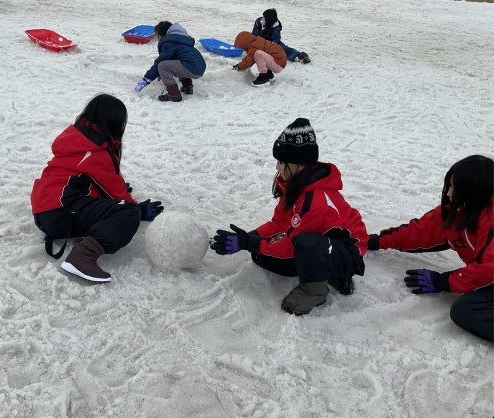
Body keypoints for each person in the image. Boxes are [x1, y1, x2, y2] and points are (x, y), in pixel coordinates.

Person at [211, 118, 368, 315]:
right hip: (319, 241)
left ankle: (317, 288)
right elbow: (278, 223)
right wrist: (250, 237)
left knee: (305, 243)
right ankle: (318, 267)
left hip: (347, 251)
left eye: (282, 162)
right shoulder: (294, 184)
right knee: (261, 256)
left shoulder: (315, 201)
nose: (277, 168)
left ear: (300, 164)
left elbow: (291, 243)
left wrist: (249, 243)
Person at [30, 94, 164, 283]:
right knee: (129, 212)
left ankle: (85, 240)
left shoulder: (77, 138)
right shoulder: (96, 150)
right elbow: (116, 190)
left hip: (47, 210)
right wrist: (138, 210)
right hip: (59, 212)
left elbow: (87, 180)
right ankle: (82, 257)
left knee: (114, 199)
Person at [368, 155, 493, 341]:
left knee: (466, 309)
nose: (449, 193)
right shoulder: (460, 209)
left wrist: (443, 281)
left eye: (455, 187)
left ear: (474, 188)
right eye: (449, 186)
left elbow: (489, 269)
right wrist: (376, 241)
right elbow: (421, 232)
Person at [134, 21, 206, 102]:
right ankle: (187, 86)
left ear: (162, 34)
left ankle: (174, 94)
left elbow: (160, 61)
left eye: (157, 35)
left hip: (191, 67)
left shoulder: (169, 42)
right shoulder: (180, 39)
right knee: (178, 61)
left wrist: (146, 79)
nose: (157, 39)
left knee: (162, 66)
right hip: (200, 66)